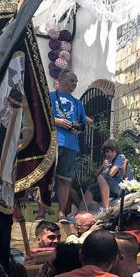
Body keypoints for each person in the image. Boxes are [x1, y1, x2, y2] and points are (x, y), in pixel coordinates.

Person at [50, 69, 87, 222]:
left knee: (64, 179)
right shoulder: (49, 97)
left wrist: (75, 127)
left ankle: (62, 212)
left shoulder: (78, 103)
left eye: (76, 81)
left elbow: (83, 125)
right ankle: (41, 212)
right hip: (52, 141)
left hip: (71, 145)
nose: (74, 84)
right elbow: (38, 115)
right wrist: (56, 121)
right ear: (60, 79)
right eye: (72, 80)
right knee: (47, 177)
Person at [84, 140, 130, 211]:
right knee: (91, 188)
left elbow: (111, 173)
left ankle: (106, 209)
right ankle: (78, 214)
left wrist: (105, 169)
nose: (110, 154)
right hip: (114, 188)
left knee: (102, 177)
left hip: (123, 187)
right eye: (107, 152)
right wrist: (102, 167)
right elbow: (97, 177)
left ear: (116, 151)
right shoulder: (108, 161)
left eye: (112, 151)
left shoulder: (120, 157)